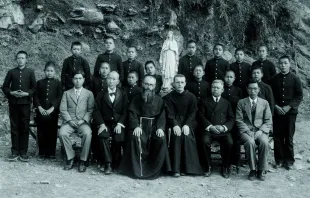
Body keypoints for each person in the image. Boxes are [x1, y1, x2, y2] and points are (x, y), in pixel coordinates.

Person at [119, 75, 171, 179]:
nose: (148, 87)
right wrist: (136, 126)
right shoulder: (136, 98)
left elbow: (162, 116)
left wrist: (160, 128)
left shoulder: (159, 100)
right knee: (135, 138)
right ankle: (137, 170)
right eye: (146, 84)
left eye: (151, 85)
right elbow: (132, 114)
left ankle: (155, 169)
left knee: (161, 139)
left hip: (154, 127)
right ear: (143, 84)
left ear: (155, 86)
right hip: (140, 126)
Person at [163, 74, 203, 177]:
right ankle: (175, 169)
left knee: (187, 137)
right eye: (177, 82)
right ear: (173, 84)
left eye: (182, 82)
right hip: (174, 122)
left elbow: (193, 113)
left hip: (187, 122)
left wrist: (187, 125)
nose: (180, 84)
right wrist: (175, 125)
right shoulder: (168, 97)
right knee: (176, 136)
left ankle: (188, 168)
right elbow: (169, 113)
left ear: (185, 84)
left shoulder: (191, 97)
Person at [270, 55, 303, 170]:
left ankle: (289, 160)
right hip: (278, 112)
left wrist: (289, 106)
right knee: (277, 136)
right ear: (278, 65)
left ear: (290, 64)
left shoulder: (295, 78)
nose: (283, 65)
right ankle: (279, 160)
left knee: (288, 136)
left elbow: (299, 95)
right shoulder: (274, 79)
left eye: (285, 63)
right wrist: (275, 106)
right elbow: (271, 95)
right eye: (281, 63)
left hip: (290, 113)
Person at [2, 51, 36, 162]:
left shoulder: (30, 72)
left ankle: (23, 152)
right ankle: (14, 151)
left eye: (22, 58)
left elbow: (34, 88)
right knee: (14, 127)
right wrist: (12, 93)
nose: (20, 60)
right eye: (18, 58)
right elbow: (5, 87)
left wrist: (27, 94)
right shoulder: (11, 72)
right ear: (16, 59)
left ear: (26, 59)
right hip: (14, 104)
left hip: (25, 104)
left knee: (24, 128)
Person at [236, 79, 272, 181]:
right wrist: (248, 131)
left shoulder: (264, 103)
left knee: (265, 143)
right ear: (247, 90)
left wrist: (261, 131)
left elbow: (268, 120)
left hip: (260, 130)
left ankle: (261, 169)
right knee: (250, 142)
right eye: (250, 89)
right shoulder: (241, 102)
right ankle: (252, 169)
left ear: (259, 89)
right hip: (246, 131)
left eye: (255, 89)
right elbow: (239, 120)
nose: (253, 91)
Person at [92, 71, 128, 174]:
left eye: (113, 79)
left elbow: (126, 111)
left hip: (117, 123)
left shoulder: (123, 94)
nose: (111, 81)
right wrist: (101, 124)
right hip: (105, 123)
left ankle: (116, 161)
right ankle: (108, 163)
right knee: (103, 135)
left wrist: (120, 124)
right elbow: (96, 110)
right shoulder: (101, 94)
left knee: (119, 136)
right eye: (109, 78)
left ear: (117, 81)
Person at [59, 70, 95, 172]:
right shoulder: (66, 93)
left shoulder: (89, 94)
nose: (78, 81)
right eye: (75, 78)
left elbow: (90, 110)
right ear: (72, 80)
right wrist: (69, 120)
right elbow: (63, 109)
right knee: (62, 133)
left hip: (82, 122)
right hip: (70, 122)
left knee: (87, 133)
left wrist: (83, 120)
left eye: (80, 78)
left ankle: (83, 160)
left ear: (83, 80)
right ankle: (71, 157)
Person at [198, 80, 235, 178]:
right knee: (204, 141)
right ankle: (208, 166)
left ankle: (225, 166)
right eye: (213, 87)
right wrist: (210, 127)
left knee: (229, 142)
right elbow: (201, 116)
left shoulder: (226, 103)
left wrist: (224, 127)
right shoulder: (204, 101)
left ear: (222, 90)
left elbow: (231, 118)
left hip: (222, 130)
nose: (215, 89)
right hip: (209, 129)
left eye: (218, 88)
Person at [34, 61, 62, 160]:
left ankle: (51, 153)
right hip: (41, 111)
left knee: (52, 131)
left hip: (53, 112)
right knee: (41, 131)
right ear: (44, 71)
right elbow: (36, 96)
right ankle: (42, 152)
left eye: (51, 71)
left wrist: (52, 108)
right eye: (47, 71)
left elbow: (59, 97)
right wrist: (40, 108)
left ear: (55, 72)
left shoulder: (58, 83)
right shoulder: (40, 82)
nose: (49, 73)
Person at [221, 70, 243, 165]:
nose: (229, 79)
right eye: (227, 77)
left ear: (234, 79)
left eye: (231, 77)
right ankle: (226, 161)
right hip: (223, 119)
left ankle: (236, 161)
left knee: (236, 139)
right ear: (224, 78)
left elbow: (242, 106)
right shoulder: (221, 89)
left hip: (235, 118)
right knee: (225, 140)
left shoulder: (238, 90)